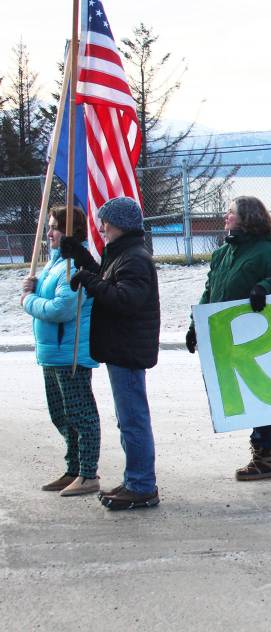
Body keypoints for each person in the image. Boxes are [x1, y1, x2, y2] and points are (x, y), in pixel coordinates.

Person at [185, 196, 271, 480]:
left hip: (256, 338)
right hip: (228, 338)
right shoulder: (223, 253)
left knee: (260, 394)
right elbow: (210, 291)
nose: (226, 216)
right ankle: (259, 453)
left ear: (247, 218)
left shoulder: (267, 251)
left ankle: (265, 456)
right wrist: (195, 325)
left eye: (231, 213)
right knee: (244, 395)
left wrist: (264, 287)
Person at [60, 196, 161, 510]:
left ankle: (142, 485)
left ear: (118, 224)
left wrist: (89, 279)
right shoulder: (123, 254)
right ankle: (135, 479)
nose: (101, 227)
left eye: (105, 221)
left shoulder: (134, 258)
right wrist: (82, 257)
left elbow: (124, 298)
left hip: (128, 349)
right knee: (127, 419)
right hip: (121, 347)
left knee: (133, 420)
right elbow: (108, 279)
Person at [22, 206, 102, 496]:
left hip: (70, 353)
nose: (49, 233)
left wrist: (28, 300)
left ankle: (88, 474)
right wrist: (35, 286)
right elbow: (48, 295)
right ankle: (73, 469)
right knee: (61, 415)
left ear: (70, 231)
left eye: (54, 227)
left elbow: (62, 308)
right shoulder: (54, 264)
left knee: (80, 415)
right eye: (49, 227)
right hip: (52, 353)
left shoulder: (73, 265)